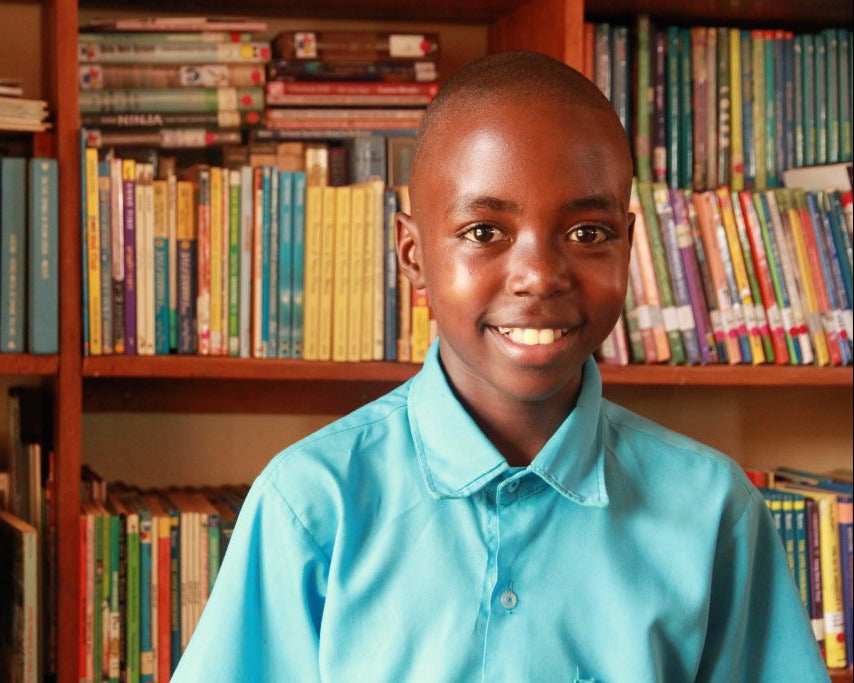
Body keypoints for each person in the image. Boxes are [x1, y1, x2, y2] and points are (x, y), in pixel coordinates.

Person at [174, 51, 828, 681]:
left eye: (588, 233)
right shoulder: (312, 505)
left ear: (628, 247)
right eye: (484, 231)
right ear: (413, 254)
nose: (540, 276)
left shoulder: (713, 510)